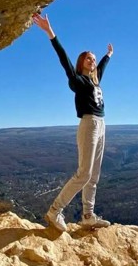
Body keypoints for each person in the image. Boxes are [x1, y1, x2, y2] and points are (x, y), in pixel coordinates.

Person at [32, 12, 113, 232]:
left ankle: (88, 215)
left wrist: (108, 56)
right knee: (84, 174)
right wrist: (51, 33)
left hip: (101, 124)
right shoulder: (78, 81)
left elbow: (101, 69)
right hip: (89, 125)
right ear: (81, 62)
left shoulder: (95, 80)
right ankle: (55, 211)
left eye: (93, 59)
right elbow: (64, 60)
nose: (92, 61)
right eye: (89, 58)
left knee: (94, 175)